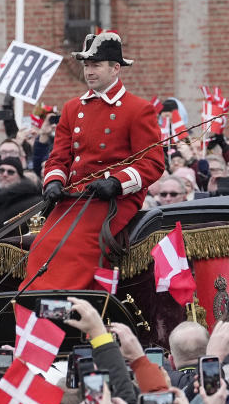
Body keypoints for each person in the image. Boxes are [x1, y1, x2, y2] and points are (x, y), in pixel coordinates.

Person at [29, 31, 164, 290]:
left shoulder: (138, 109)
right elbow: (58, 157)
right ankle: (38, 306)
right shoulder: (72, 108)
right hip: (74, 196)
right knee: (42, 245)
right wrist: (54, 182)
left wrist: (116, 182)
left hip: (115, 198)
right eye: (87, 65)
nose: (89, 72)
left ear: (115, 69)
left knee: (77, 247)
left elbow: (153, 162)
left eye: (96, 65)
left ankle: (66, 306)